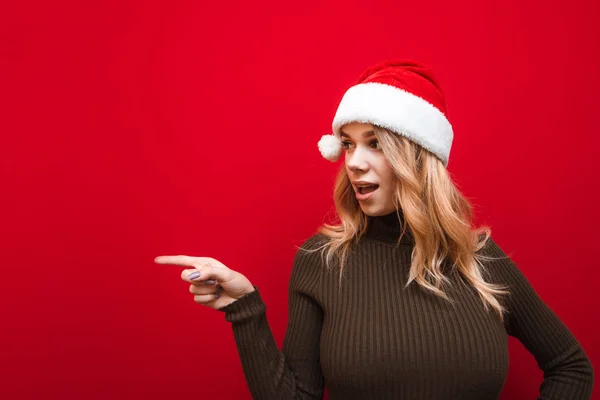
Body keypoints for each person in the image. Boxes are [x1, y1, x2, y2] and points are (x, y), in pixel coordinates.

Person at [154, 59, 594, 399]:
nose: (354, 161)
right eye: (347, 144)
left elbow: (571, 366)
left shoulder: (480, 261)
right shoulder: (320, 261)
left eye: (375, 143)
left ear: (418, 156)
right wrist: (244, 308)